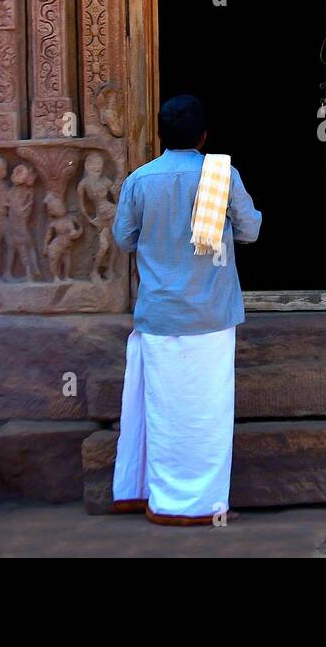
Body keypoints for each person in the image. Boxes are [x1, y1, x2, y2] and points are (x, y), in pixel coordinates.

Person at [110, 94, 262, 526]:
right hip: (210, 315)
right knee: (207, 412)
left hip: (159, 313)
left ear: (159, 135)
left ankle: (163, 501)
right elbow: (249, 231)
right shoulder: (221, 175)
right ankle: (203, 505)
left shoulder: (139, 181)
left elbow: (123, 240)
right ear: (203, 136)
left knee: (164, 409)